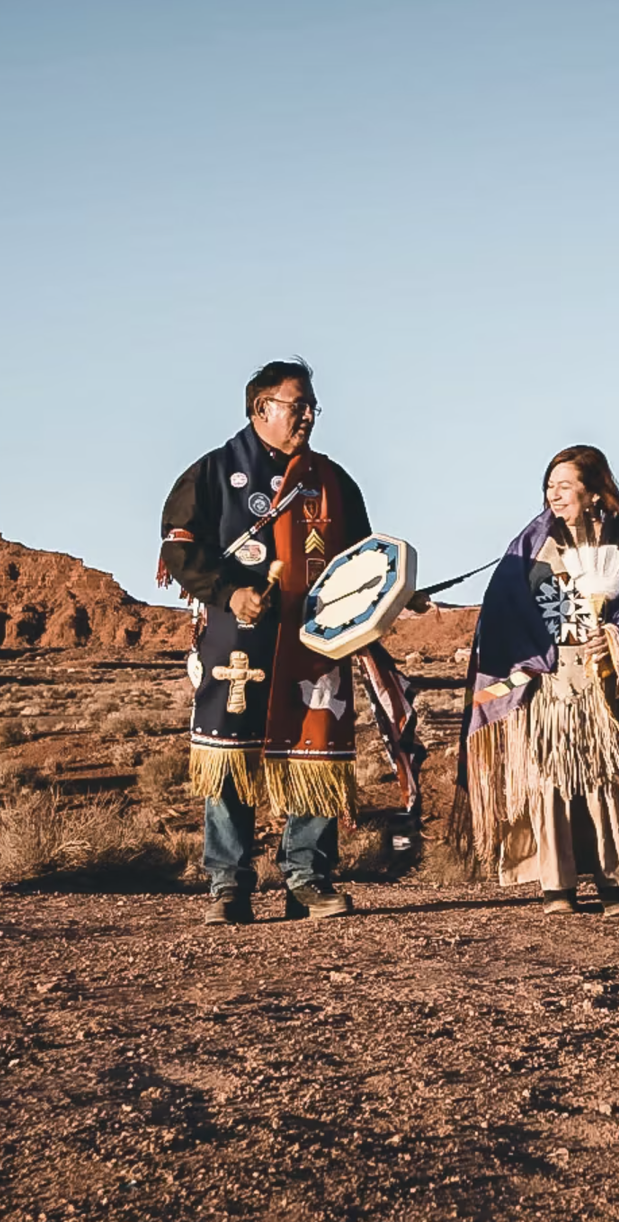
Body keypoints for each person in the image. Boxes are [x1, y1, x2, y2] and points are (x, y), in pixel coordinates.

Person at [460, 446, 619, 916]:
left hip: (607, 686)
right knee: (549, 779)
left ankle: (615, 884)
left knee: (608, 780)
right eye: (548, 486)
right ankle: (556, 886)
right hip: (551, 685)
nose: (553, 495)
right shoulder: (533, 544)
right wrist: (531, 651)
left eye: (565, 486)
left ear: (595, 491)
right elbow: (502, 610)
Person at [159, 359, 372, 925]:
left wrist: (394, 594)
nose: (306, 416)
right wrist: (228, 594)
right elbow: (179, 547)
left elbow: (362, 557)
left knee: (315, 750)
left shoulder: (330, 481)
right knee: (230, 755)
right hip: (238, 639)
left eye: (310, 407)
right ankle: (228, 884)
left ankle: (307, 879)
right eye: (295, 405)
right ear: (261, 409)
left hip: (316, 639)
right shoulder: (213, 473)